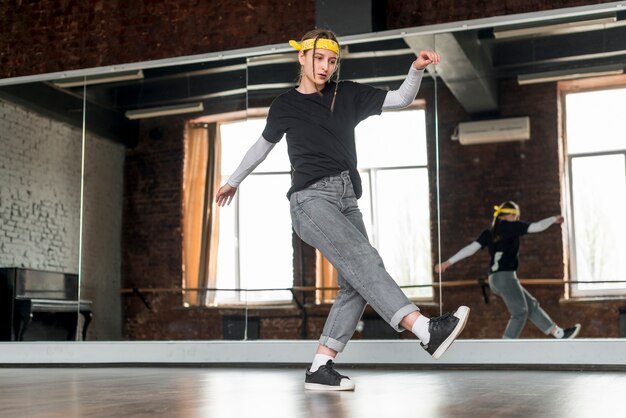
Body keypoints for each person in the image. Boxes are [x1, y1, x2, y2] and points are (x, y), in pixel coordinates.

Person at [215, 28, 470, 391]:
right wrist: (233, 181)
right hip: (310, 200)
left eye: (332, 61)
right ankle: (425, 329)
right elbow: (261, 148)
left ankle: (321, 366)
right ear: (301, 58)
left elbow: (398, 99)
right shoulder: (284, 105)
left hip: (347, 198)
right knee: (365, 259)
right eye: (318, 59)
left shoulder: (346, 93)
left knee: (356, 283)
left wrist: (415, 69)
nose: (325, 67)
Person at [435, 201, 581, 340]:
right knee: (520, 312)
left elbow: (470, 249)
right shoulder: (512, 227)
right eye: (516, 216)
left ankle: (559, 333)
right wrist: (553, 219)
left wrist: (448, 262)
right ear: (511, 215)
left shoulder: (489, 232)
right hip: (505, 277)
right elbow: (537, 226)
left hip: (494, 279)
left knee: (530, 305)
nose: (517, 219)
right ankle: (506, 345)